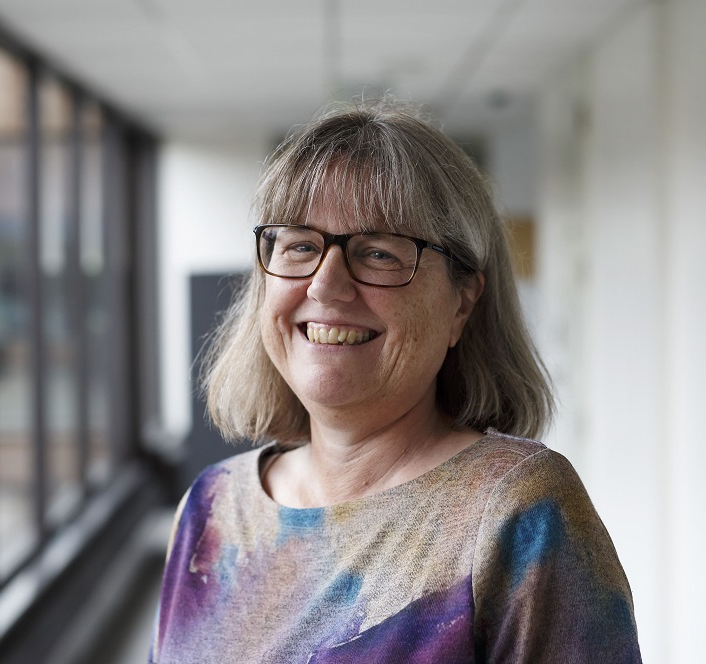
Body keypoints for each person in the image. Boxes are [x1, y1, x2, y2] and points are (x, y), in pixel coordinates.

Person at [150, 99, 641, 663]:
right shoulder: (209, 507)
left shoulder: (519, 515)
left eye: (379, 253)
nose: (325, 285)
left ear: (462, 302)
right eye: (301, 246)